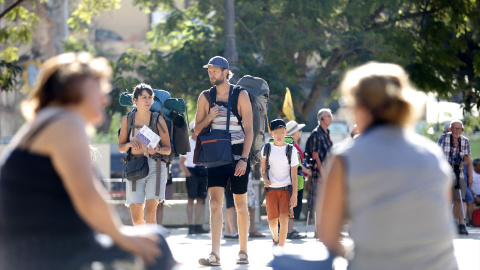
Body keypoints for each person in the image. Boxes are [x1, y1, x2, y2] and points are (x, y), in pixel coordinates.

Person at [0, 52, 175, 269]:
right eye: (98, 89)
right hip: (41, 252)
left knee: (151, 239)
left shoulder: (51, 120)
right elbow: (88, 197)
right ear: (75, 87)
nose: (105, 98)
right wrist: (125, 239)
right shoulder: (65, 123)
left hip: (39, 246)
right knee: (156, 245)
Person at [317, 62, 458, 270]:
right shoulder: (433, 154)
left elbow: (328, 234)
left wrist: (356, 253)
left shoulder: (345, 158)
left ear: (360, 107)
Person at [195, 56, 253, 266]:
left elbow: (250, 131)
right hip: (216, 155)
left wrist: (244, 159)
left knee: (240, 203)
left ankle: (243, 251)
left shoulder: (241, 94)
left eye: (215, 70)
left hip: (238, 155)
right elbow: (196, 130)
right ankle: (215, 254)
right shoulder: (204, 97)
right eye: (209, 70)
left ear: (226, 72)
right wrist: (209, 118)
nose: (211, 74)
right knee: (215, 203)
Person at [118, 83, 171, 226]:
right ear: (135, 100)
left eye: (150, 97)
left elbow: (168, 149)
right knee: (136, 217)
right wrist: (129, 145)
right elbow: (121, 147)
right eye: (144, 97)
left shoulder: (158, 119)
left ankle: (151, 247)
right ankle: (142, 243)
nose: (148, 101)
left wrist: (157, 150)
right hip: (134, 165)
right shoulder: (127, 120)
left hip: (156, 166)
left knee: (150, 213)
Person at [261, 119, 298, 247]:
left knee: (284, 219)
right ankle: (275, 239)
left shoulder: (291, 150)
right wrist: (265, 180)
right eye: (276, 132)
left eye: (282, 132)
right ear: (271, 133)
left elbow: (294, 175)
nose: (279, 135)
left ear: (286, 132)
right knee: (272, 222)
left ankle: (281, 248)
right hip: (271, 190)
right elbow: (264, 171)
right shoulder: (266, 149)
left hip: (286, 189)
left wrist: (295, 196)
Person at [438, 120, 473, 235]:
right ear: (450, 129)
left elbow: (467, 160)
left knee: (459, 200)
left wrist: (461, 164)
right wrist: (450, 162)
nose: (456, 131)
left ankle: (457, 223)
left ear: (462, 130)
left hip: (460, 174)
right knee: (446, 200)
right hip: (445, 174)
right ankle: (444, 224)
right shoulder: (443, 138)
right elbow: (437, 156)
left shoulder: (465, 141)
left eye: (459, 129)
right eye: (454, 128)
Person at [304, 108, 333, 229]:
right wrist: (323, 173)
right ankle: (319, 229)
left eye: (331, 116)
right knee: (320, 201)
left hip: (327, 172)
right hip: (320, 173)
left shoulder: (327, 133)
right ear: (321, 119)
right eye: (328, 116)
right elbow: (315, 156)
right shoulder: (316, 133)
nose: (331, 118)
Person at [179, 121, 209, 234]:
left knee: (201, 199)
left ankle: (198, 224)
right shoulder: (187, 142)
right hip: (191, 172)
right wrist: (189, 175)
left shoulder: (204, 142)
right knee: (191, 199)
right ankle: (191, 225)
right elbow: (182, 162)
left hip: (202, 171)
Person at [285, 120, 311, 239]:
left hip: (297, 179)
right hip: (295, 179)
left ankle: (289, 229)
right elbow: (298, 164)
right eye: (299, 130)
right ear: (294, 132)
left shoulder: (293, 144)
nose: (300, 132)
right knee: (293, 205)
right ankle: (289, 231)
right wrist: (308, 171)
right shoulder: (292, 145)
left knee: (294, 205)